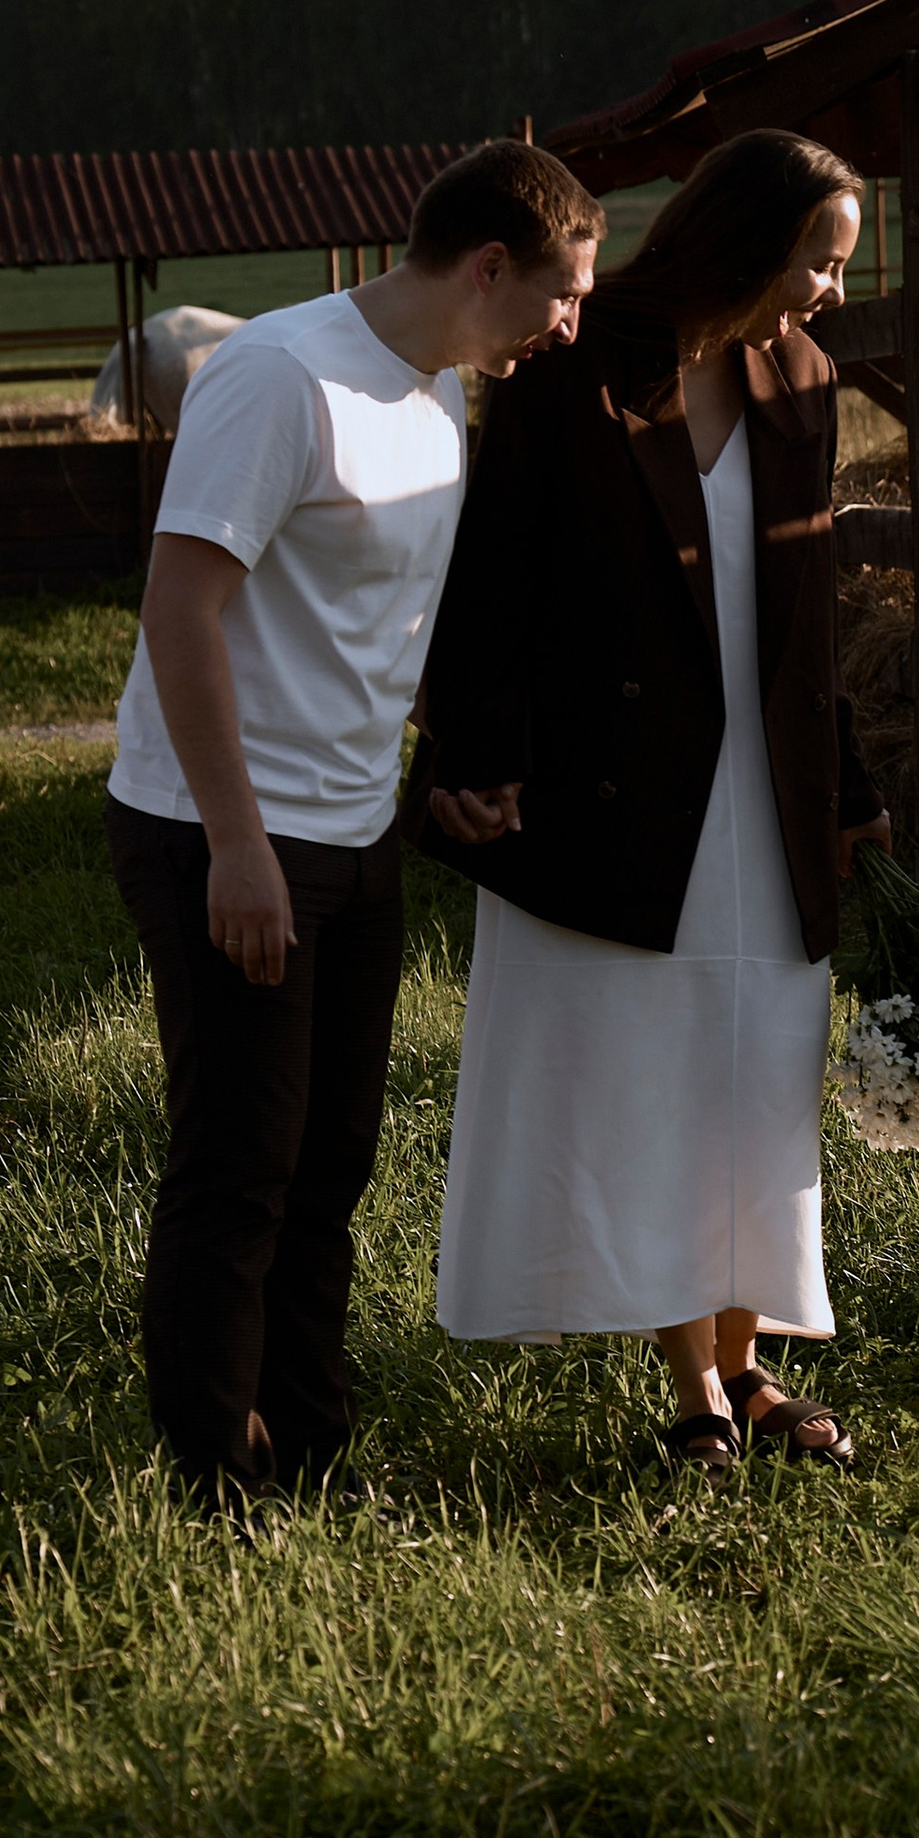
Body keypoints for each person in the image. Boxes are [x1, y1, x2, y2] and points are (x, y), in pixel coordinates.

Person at [105, 141, 604, 1505]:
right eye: (565, 293)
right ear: (491, 266)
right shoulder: (280, 377)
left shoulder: (441, 397)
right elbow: (179, 612)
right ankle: (217, 1484)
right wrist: (238, 845)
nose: (571, 323)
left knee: (332, 1165)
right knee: (241, 1167)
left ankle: (311, 1457)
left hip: (356, 830)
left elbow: (379, 624)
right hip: (227, 831)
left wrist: (440, 765)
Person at [416, 127, 889, 1475]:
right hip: (621, 789)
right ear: (749, 243)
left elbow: (816, 608)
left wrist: (851, 786)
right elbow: (494, 570)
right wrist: (474, 753)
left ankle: (749, 1371)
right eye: (820, 261)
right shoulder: (579, 367)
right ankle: (695, 1385)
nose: (832, 293)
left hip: (769, 787)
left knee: (755, 1081)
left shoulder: (803, 375)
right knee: (654, 1073)